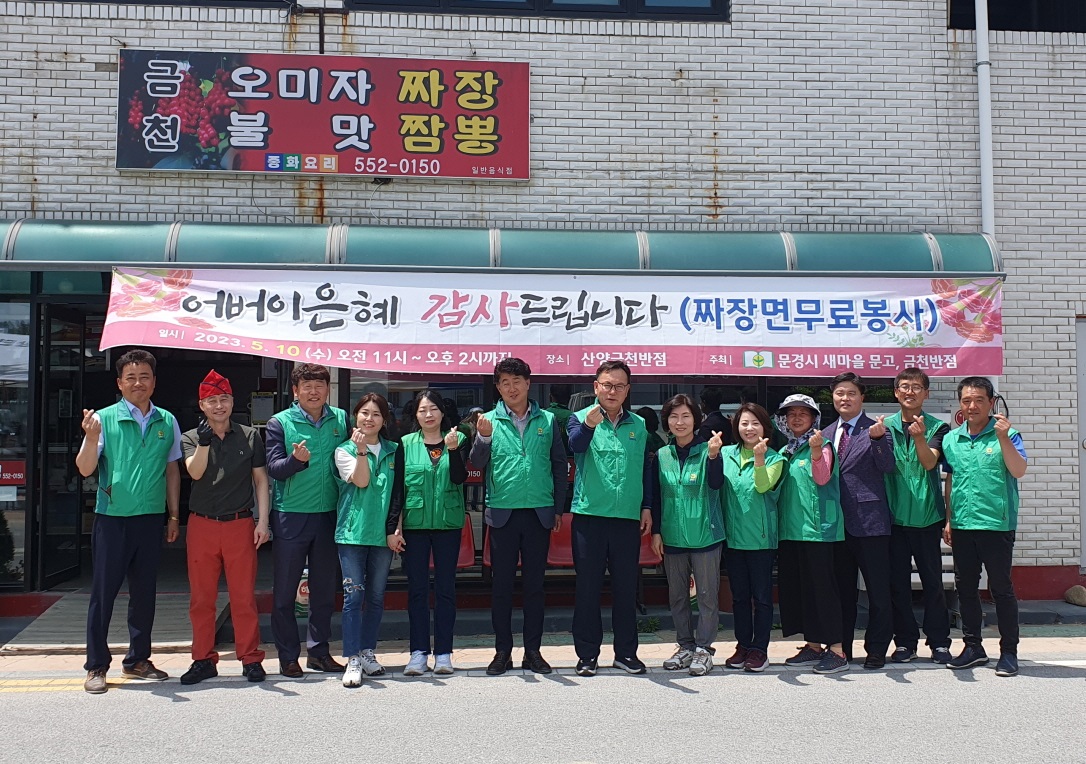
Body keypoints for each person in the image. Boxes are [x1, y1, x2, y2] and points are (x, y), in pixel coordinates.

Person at [75, 349, 182, 694]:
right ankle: (96, 665)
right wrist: (91, 438)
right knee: (103, 595)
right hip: (112, 519)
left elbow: (172, 470)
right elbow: (85, 468)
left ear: (154, 381)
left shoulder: (167, 420)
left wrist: (174, 515)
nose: (138, 383)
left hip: (150, 519)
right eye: (131, 378)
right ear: (119, 383)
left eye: (144, 377)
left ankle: (138, 659)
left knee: (144, 594)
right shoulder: (103, 419)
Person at [470, 358, 567, 675]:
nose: (511, 388)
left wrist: (557, 508)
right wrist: (483, 438)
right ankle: (502, 652)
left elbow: (558, 465)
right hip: (503, 513)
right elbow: (476, 463)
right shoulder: (488, 421)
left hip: (539, 513)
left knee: (535, 587)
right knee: (501, 587)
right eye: (504, 383)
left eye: (516, 381)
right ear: (498, 388)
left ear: (528, 383)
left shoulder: (547, 420)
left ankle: (533, 652)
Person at [180, 370, 271, 685]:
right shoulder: (191, 437)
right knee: (201, 598)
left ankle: (250, 658)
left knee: (243, 596)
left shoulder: (250, 435)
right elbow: (194, 472)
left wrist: (263, 521)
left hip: (239, 522)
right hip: (202, 523)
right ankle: (203, 658)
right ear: (202, 405)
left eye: (224, 399)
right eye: (212, 400)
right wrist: (205, 443)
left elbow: (260, 480)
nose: (219, 406)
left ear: (233, 402)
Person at [567, 360, 652, 676]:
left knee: (626, 589)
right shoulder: (579, 418)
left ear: (627, 390)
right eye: (607, 385)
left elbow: (645, 467)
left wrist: (647, 506)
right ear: (596, 387)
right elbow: (575, 446)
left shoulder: (639, 424)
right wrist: (589, 426)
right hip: (589, 516)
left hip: (626, 518)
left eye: (619, 386)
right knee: (587, 589)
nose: (612, 391)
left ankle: (626, 653)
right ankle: (587, 655)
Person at [266, 363, 349, 678]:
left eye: (319, 385)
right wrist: (295, 461)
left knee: (324, 591)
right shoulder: (279, 423)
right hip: (291, 514)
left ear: (328, 388)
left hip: (329, 514)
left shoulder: (341, 419)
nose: (314, 392)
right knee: (285, 593)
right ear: (295, 390)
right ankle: (288, 657)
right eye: (307, 386)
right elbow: (274, 469)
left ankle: (319, 652)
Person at [943, 377, 1027, 677]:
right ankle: (973, 647)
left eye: (979, 400)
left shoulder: (1008, 433)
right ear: (960, 404)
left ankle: (1009, 652)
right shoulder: (952, 439)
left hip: (996, 524)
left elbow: (1019, 470)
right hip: (963, 524)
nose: (972, 406)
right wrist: (950, 519)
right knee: (966, 588)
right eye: (967, 400)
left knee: (1001, 588)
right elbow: (951, 480)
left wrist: (1003, 437)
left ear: (991, 402)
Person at [822, 372, 896, 669]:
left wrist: (877, 440)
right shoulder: (825, 433)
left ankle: (877, 649)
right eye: (840, 393)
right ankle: (841, 649)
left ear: (862, 397)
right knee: (841, 593)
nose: (845, 398)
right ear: (833, 397)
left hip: (871, 521)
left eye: (851, 393)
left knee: (878, 591)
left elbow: (888, 466)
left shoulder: (877, 429)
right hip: (835, 524)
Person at [393, 389, 467, 676]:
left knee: (446, 590)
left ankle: (444, 653)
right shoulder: (405, 444)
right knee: (417, 591)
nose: (428, 414)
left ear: (442, 412)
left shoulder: (457, 438)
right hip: (415, 526)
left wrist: (453, 450)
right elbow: (399, 489)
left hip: (448, 524)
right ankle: (418, 653)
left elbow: (460, 478)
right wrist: (396, 525)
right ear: (416, 414)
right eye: (422, 410)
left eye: (433, 409)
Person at [649, 394, 725, 676]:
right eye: (673, 416)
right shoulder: (662, 456)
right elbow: (656, 497)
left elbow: (716, 484)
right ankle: (685, 646)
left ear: (696, 419)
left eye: (685, 416)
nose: (679, 422)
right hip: (672, 535)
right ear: (666, 421)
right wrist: (657, 532)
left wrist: (714, 456)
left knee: (706, 595)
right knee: (678, 596)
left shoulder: (709, 450)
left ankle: (704, 649)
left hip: (706, 535)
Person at [773, 394, 848, 674]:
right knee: (803, 590)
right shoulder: (785, 451)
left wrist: (816, 451)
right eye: (790, 414)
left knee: (824, 590)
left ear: (814, 418)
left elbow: (823, 477)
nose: (796, 418)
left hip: (819, 531)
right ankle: (814, 645)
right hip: (792, 531)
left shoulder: (823, 444)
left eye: (803, 413)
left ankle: (837, 650)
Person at [884, 368, 953, 664]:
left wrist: (921, 437)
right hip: (893, 517)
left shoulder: (938, 427)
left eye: (916, 387)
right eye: (904, 386)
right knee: (897, 584)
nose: (909, 392)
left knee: (933, 583)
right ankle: (905, 642)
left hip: (927, 516)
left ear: (926, 393)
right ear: (896, 392)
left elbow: (929, 464)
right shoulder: (883, 427)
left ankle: (939, 642)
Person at [333, 392, 402, 687]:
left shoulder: (395, 450)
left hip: (383, 535)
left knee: (375, 596)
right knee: (354, 596)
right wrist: (362, 451)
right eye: (364, 413)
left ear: (384, 420)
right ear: (355, 417)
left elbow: (400, 493)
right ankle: (352, 658)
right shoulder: (343, 450)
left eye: (376, 414)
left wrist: (397, 529)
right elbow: (361, 481)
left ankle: (367, 652)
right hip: (352, 534)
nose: (369, 419)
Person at [720, 403, 784, 673]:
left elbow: (762, 486)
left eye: (755, 423)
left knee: (762, 598)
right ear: (736, 426)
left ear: (765, 427)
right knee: (739, 598)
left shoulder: (776, 458)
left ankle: (760, 649)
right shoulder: (725, 453)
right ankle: (743, 645)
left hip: (761, 540)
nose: (749, 428)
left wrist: (759, 458)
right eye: (744, 423)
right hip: (732, 538)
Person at [546, 384, 574, 455]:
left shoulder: (543, 415)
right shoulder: (573, 416)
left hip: (547, 457)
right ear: (569, 398)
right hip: (569, 457)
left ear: (550, 396)